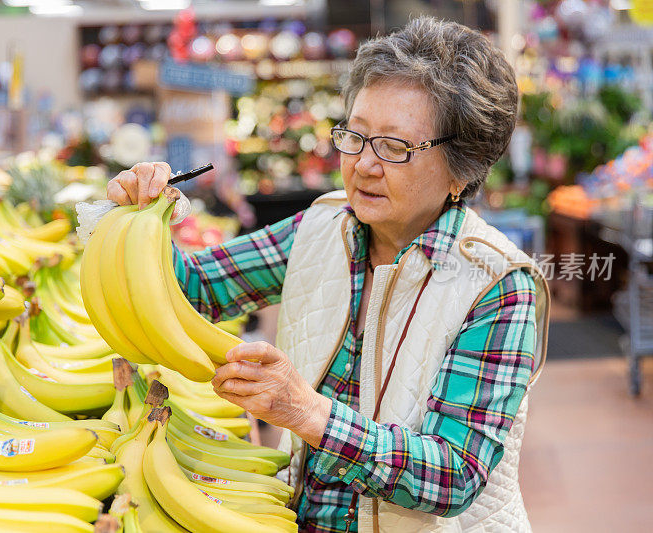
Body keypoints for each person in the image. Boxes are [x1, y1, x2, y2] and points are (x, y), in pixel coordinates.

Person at [107, 16, 550, 533]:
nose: (363, 164)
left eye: (394, 147)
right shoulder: (322, 227)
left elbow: (453, 474)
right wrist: (134, 219)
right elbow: (196, 289)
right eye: (354, 136)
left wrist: (308, 413)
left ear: (462, 168)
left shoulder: (497, 282)